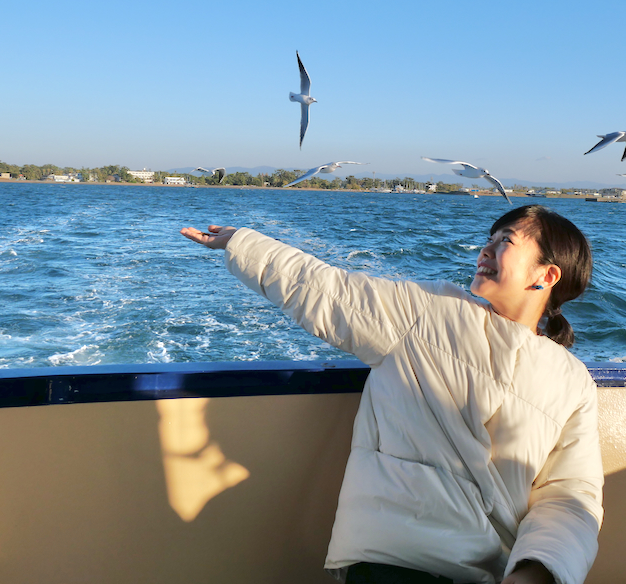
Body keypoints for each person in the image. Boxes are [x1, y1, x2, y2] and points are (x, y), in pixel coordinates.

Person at [180, 204, 603, 584]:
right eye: (488, 240)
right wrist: (244, 244)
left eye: (505, 242)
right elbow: (326, 291)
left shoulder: (572, 380)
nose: (486, 250)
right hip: (396, 560)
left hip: (495, 571)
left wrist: (535, 574)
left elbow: (570, 495)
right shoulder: (430, 312)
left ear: (546, 276)